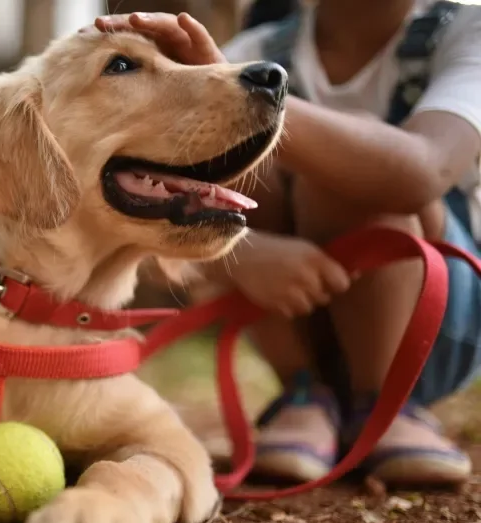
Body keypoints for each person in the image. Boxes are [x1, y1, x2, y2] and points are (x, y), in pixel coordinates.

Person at [94, 0, 481, 486]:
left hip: (435, 325)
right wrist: (246, 254)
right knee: (228, 156)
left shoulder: (467, 33)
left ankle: (387, 403)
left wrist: (240, 87)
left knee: (343, 167)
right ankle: (305, 393)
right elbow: (159, 206)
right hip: (300, 322)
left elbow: (422, 171)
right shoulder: (260, 47)